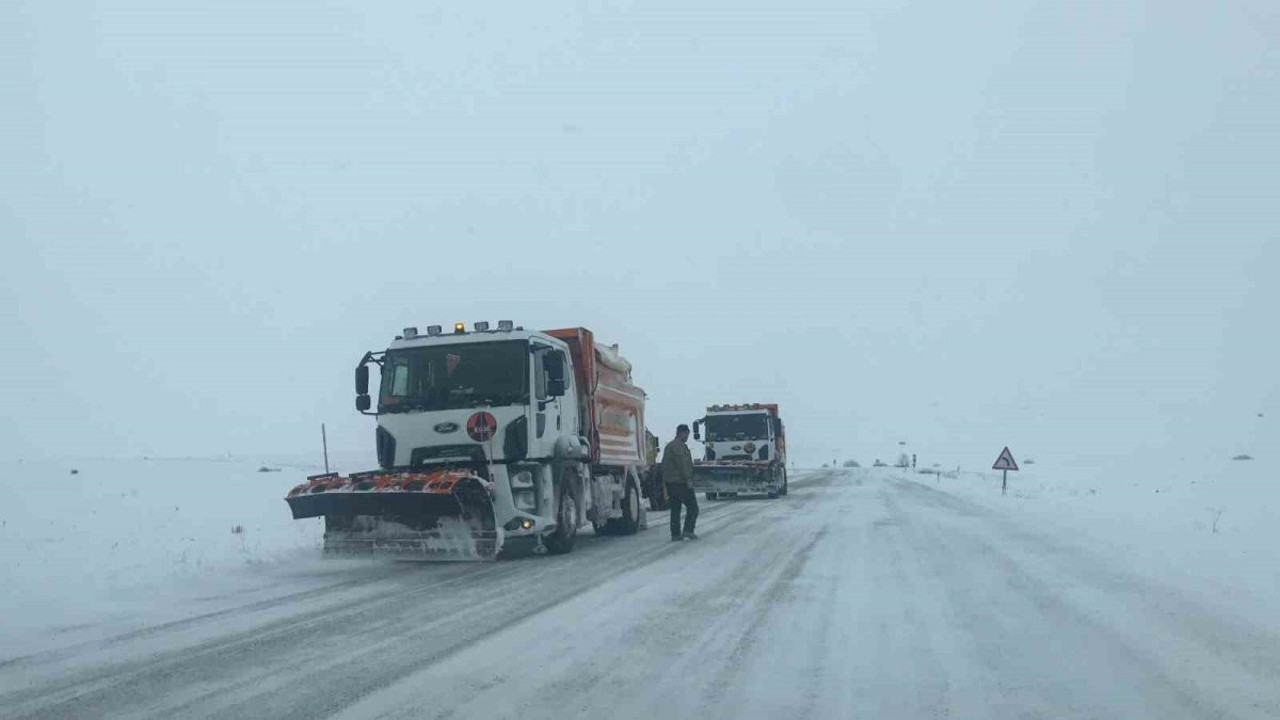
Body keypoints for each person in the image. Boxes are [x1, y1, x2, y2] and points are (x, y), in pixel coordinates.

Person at [661, 424, 698, 541]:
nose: (687, 436)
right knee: (693, 507)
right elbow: (682, 465)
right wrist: (688, 480)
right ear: (682, 433)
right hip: (680, 482)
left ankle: (676, 534)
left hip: (671, 483)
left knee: (675, 509)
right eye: (687, 434)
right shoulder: (678, 447)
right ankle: (688, 530)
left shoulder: (669, 446)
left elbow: (664, 465)